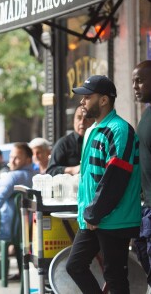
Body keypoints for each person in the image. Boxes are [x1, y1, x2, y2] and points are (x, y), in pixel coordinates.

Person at [65, 75, 141, 294]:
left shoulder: (120, 130)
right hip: (94, 216)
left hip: (114, 218)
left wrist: (94, 213)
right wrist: (89, 213)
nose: (82, 102)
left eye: (87, 97)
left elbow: (116, 176)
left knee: (115, 275)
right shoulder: (92, 130)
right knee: (75, 266)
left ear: (104, 100)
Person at [132, 60, 151, 288]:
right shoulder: (146, 114)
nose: (135, 86)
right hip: (145, 208)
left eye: (140, 81)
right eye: (133, 82)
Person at [46, 105, 93, 176]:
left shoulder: (99, 141)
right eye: (79, 118)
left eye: (86, 118)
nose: (82, 122)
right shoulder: (63, 144)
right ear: (73, 120)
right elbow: (51, 171)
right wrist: (73, 170)